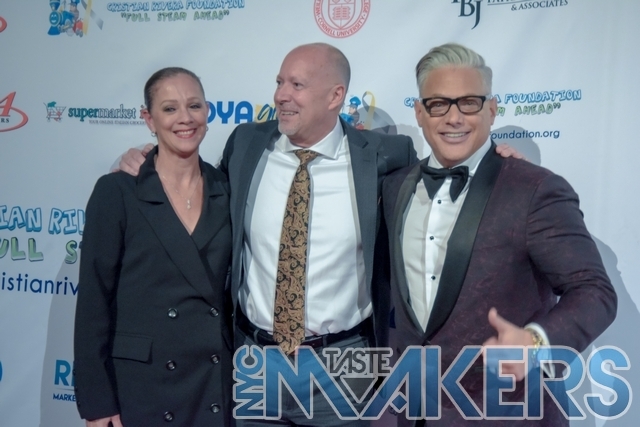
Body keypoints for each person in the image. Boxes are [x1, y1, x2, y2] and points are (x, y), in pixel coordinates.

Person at [117, 43, 523, 426]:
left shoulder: (386, 155)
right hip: (255, 360)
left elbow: (445, 178)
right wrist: (147, 159)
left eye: (297, 85)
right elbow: (197, 189)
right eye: (279, 82)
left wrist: (493, 164)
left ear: (335, 96)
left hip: (346, 363)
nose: (281, 95)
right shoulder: (246, 143)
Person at [381, 43, 617, 426]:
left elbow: (594, 292)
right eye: (438, 104)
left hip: (507, 411)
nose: (454, 117)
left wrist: (536, 341)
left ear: (491, 110)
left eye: (469, 103)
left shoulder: (534, 189)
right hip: (413, 409)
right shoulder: (394, 188)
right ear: (420, 113)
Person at [74, 67, 233, 427]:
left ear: (208, 111)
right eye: (170, 108)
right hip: (142, 386)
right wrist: (97, 402)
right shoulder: (117, 192)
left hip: (213, 381)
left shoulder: (227, 189)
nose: (185, 118)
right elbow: (93, 303)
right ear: (149, 119)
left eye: (194, 106)